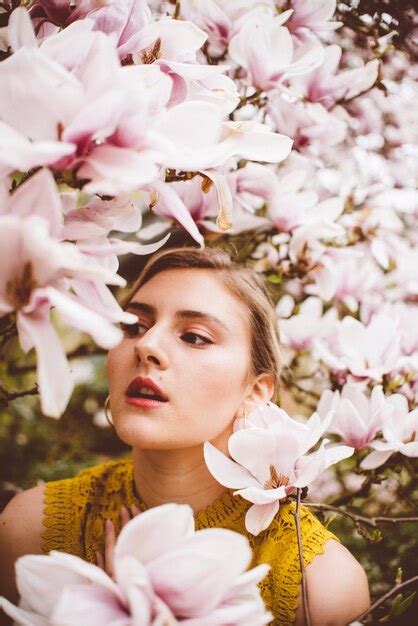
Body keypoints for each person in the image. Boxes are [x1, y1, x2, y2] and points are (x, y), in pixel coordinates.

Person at [0, 246, 370, 626]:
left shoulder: (319, 587)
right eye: (134, 326)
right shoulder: (32, 530)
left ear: (255, 391)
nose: (146, 346)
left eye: (194, 337)